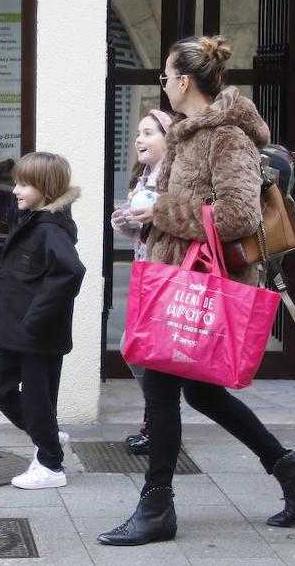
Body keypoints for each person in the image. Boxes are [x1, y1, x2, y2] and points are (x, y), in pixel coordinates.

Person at [99, 36, 295, 546]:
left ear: (184, 81)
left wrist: (159, 212)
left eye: (165, 76)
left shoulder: (228, 137)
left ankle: (156, 505)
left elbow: (238, 215)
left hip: (199, 283)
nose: (162, 83)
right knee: (200, 391)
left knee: (161, 391)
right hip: (176, 280)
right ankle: (292, 471)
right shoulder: (184, 135)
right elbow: (185, 205)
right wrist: (146, 212)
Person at [0, 151, 86, 490]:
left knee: (37, 397)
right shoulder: (32, 220)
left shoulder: (50, 228)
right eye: (16, 182)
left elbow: (70, 272)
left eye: (24, 184)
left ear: (46, 188)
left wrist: (36, 318)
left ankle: (51, 465)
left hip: (36, 332)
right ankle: (49, 437)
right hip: (20, 329)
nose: (15, 190)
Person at [109, 109, 173, 455]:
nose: (139, 140)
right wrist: (126, 220)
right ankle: (157, 423)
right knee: (140, 351)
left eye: (148, 133)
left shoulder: (174, 181)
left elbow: (181, 223)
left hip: (165, 278)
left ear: (168, 139)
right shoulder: (145, 177)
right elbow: (146, 227)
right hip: (145, 275)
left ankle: (157, 424)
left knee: (137, 349)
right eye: (138, 133)